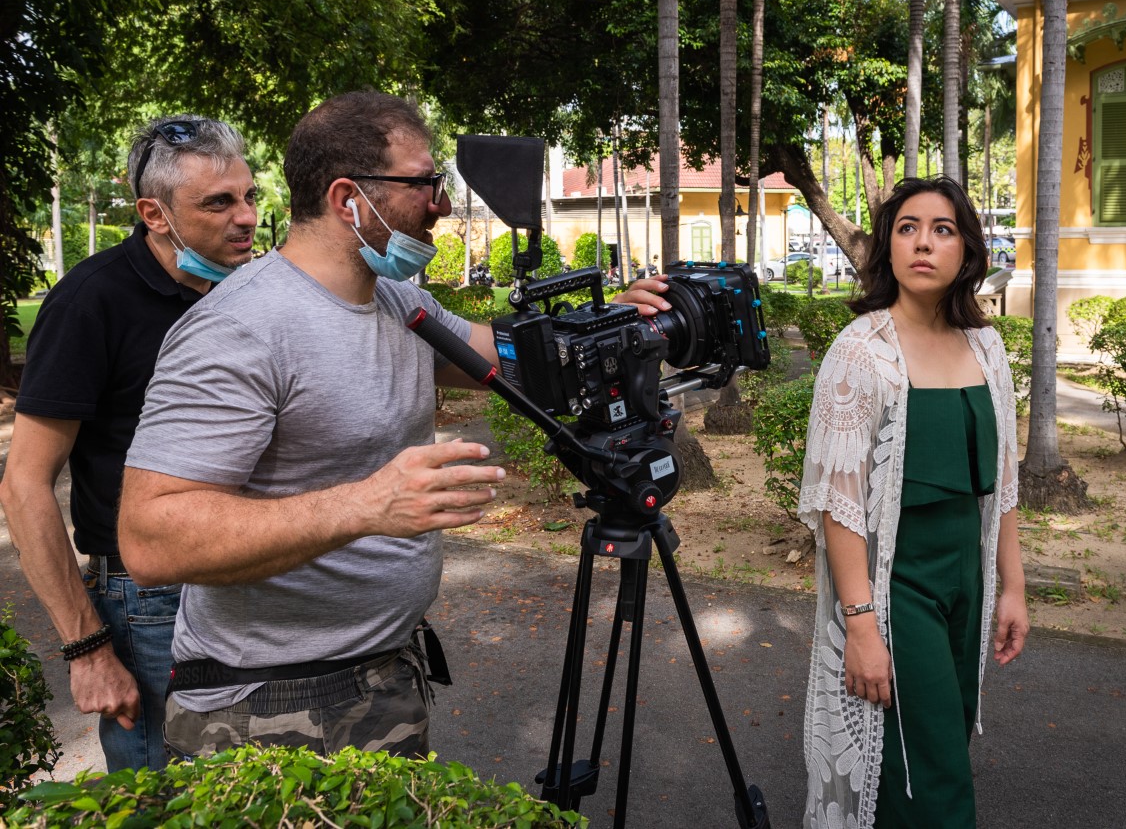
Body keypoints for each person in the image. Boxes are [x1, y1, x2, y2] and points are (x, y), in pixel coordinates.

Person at [117, 90, 669, 761]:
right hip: (266, 709)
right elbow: (151, 540)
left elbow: (516, 363)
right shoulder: (239, 329)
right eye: (424, 184)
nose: (440, 203)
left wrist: (614, 325)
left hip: (383, 674)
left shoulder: (396, 300)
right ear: (349, 198)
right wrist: (367, 505)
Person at [0, 115, 258, 772]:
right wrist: (87, 650)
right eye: (219, 202)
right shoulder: (92, 302)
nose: (247, 217)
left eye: (251, 196)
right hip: (150, 603)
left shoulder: (251, 294)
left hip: (256, 580)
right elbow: (24, 483)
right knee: (161, 803)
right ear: (155, 212)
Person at [799, 176, 1028, 828]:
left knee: (937, 747)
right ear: (888, 249)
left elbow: (1002, 483)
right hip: (898, 587)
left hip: (967, 583)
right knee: (930, 775)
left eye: (942, 229)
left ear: (967, 252)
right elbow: (836, 505)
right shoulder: (861, 353)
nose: (923, 242)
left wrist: (1012, 588)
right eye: (907, 228)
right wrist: (862, 626)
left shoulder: (986, 345)